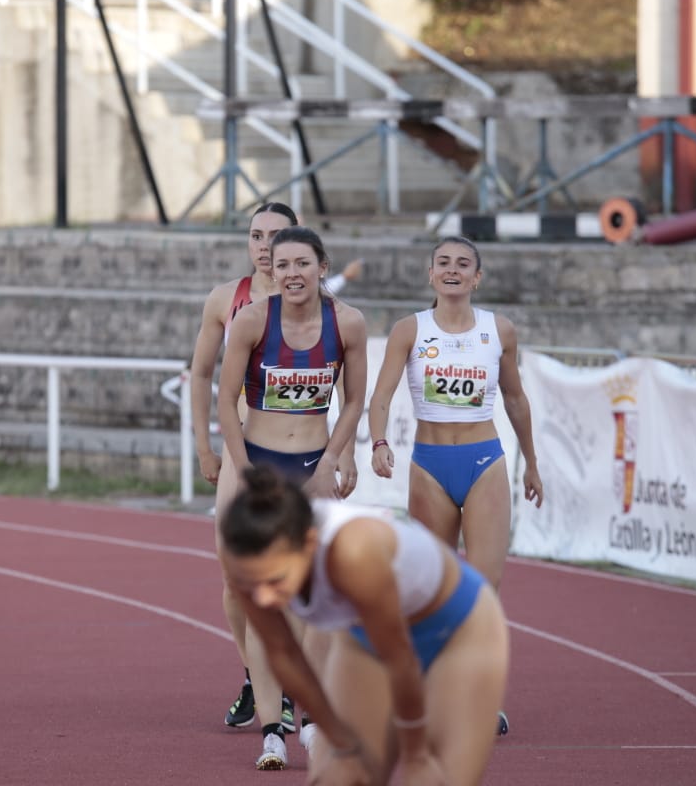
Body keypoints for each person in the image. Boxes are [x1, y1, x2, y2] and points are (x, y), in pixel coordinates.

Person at [188, 205, 363, 738]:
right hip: (248, 450)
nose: (265, 248)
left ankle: (292, 691)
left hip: (307, 453)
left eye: (276, 239)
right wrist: (207, 450)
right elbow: (202, 377)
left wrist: (344, 453)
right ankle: (257, 676)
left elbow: (346, 392)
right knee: (236, 576)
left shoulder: (329, 309)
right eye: (257, 237)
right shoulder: (232, 301)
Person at [219, 465, 510, 786]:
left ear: (311, 545)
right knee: (340, 775)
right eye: (254, 583)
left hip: (460, 629)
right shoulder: (249, 562)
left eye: (276, 580)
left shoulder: (355, 553)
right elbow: (285, 657)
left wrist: (415, 754)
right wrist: (341, 741)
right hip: (369, 632)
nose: (264, 597)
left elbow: (400, 658)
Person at [367, 235, 542, 737]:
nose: (452, 270)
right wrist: (378, 442)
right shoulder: (409, 330)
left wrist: (531, 462)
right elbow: (381, 395)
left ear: (477, 277)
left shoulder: (499, 330)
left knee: (482, 594)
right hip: (429, 467)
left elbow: (516, 400)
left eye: (463, 264)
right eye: (443, 262)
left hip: (485, 461)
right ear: (431, 274)